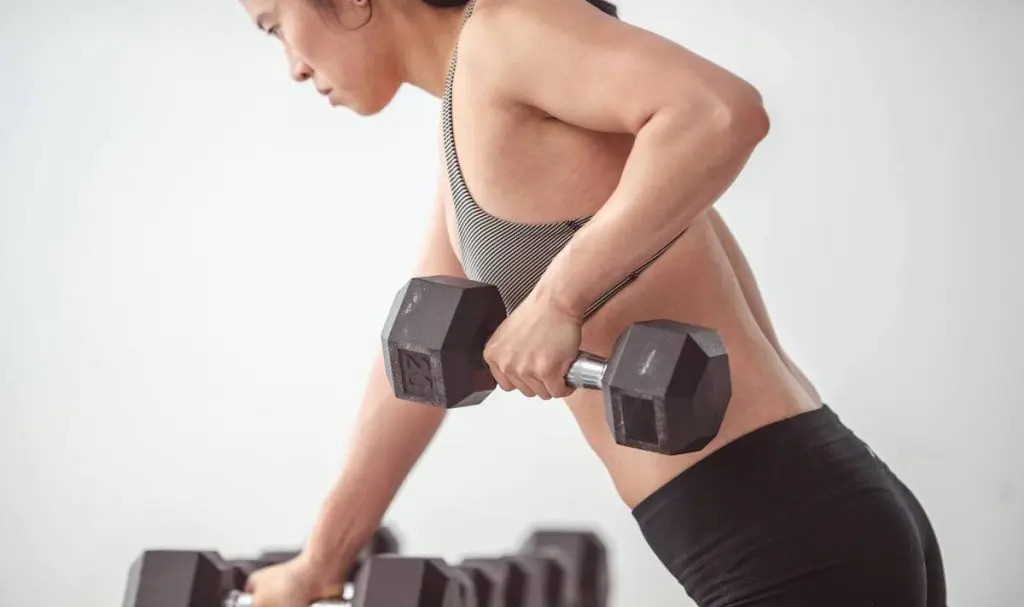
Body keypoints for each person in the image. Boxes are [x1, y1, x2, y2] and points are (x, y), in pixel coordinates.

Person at [234, 0, 947, 605]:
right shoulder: (469, 120)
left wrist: (560, 300)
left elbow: (721, 113)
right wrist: (319, 562)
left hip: (788, 537)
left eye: (273, 24)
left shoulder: (505, 31)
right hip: (801, 517)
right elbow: (414, 371)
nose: (293, 65)